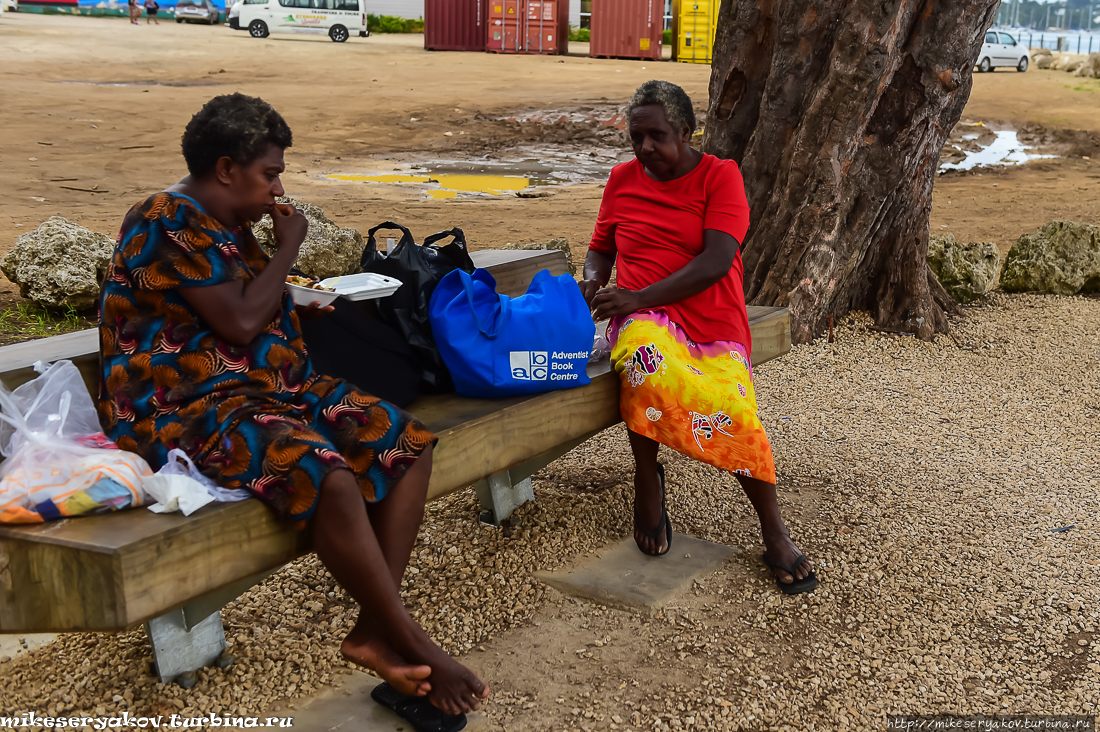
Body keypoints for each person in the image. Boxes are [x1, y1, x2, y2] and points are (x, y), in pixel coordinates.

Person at [97, 93, 490, 715]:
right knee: (326, 473)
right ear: (226, 169)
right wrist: (289, 248)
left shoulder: (228, 223)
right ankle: (410, 639)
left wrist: (293, 295)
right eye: (270, 173)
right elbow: (241, 321)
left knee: (403, 442)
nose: (278, 188)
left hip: (268, 388)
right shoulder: (166, 218)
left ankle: (370, 631)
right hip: (185, 406)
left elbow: (241, 306)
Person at [579, 80, 818, 595]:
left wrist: (636, 297)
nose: (643, 148)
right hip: (642, 319)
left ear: (685, 132)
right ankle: (647, 478)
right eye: (636, 136)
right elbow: (601, 248)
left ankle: (772, 528)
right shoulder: (622, 179)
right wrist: (593, 280)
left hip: (710, 319)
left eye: (656, 136)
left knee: (730, 403)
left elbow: (715, 262)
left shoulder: (719, 177)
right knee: (645, 366)